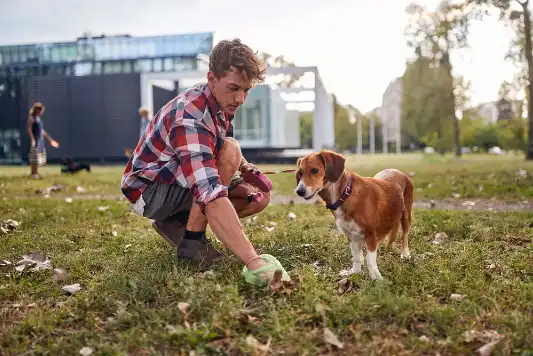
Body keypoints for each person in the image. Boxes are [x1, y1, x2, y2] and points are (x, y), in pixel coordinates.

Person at [121, 38, 289, 287]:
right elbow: (209, 191)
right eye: (233, 88)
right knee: (230, 153)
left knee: (257, 198)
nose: (240, 98)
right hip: (150, 192)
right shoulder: (190, 116)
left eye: (246, 90)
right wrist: (253, 260)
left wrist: (245, 169)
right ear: (212, 79)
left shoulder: (220, 104)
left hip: (177, 183)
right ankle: (192, 241)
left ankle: (175, 223)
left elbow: (216, 148)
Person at [27, 102, 60, 179]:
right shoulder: (31, 118)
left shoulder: (38, 119)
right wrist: (32, 139)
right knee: (34, 157)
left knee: (38, 156)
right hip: (34, 139)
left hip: (39, 139)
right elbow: (29, 129)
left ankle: (36, 173)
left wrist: (50, 140)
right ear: (38, 110)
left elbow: (42, 130)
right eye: (41, 110)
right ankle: (33, 173)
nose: (42, 112)